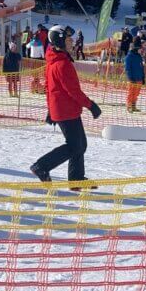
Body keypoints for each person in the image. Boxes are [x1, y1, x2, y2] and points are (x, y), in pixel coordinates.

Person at [31, 25, 100, 183]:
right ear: (60, 41)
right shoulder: (62, 64)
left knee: (80, 145)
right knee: (74, 146)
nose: (72, 42)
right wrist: (91, 106)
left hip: (65, 110)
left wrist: (50, 110)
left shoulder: (56, 59)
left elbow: (49, 87)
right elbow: (74, 91)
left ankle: (76, 178)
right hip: (65, 111)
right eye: (69, 39)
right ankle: (41, 166)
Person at [124, 40, 145, 111]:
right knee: (131, 92)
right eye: (140, 49)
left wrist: (143, 77)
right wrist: (130, 77)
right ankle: (129, 106)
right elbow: (127, 68)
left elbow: (141, 67)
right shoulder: (129, 56)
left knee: (136, 93)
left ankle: (133, 106)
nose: (141, 50)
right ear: (136, 49)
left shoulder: (139, 57)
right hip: (132, 78)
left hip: (139, 78)